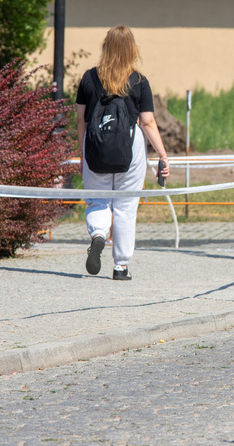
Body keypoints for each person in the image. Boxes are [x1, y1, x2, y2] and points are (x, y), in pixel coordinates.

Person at [76, 25, 169, 281]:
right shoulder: (138, 80)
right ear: (132, 49)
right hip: (131, 147)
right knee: (126, 207)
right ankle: (121, 267)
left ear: (105, 47)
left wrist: (82, 153)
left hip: (95, 146)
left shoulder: (88, 78)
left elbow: (81, 119)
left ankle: (97, 235)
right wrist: (162, 155)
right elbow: (148, 122)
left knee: (98, 199)